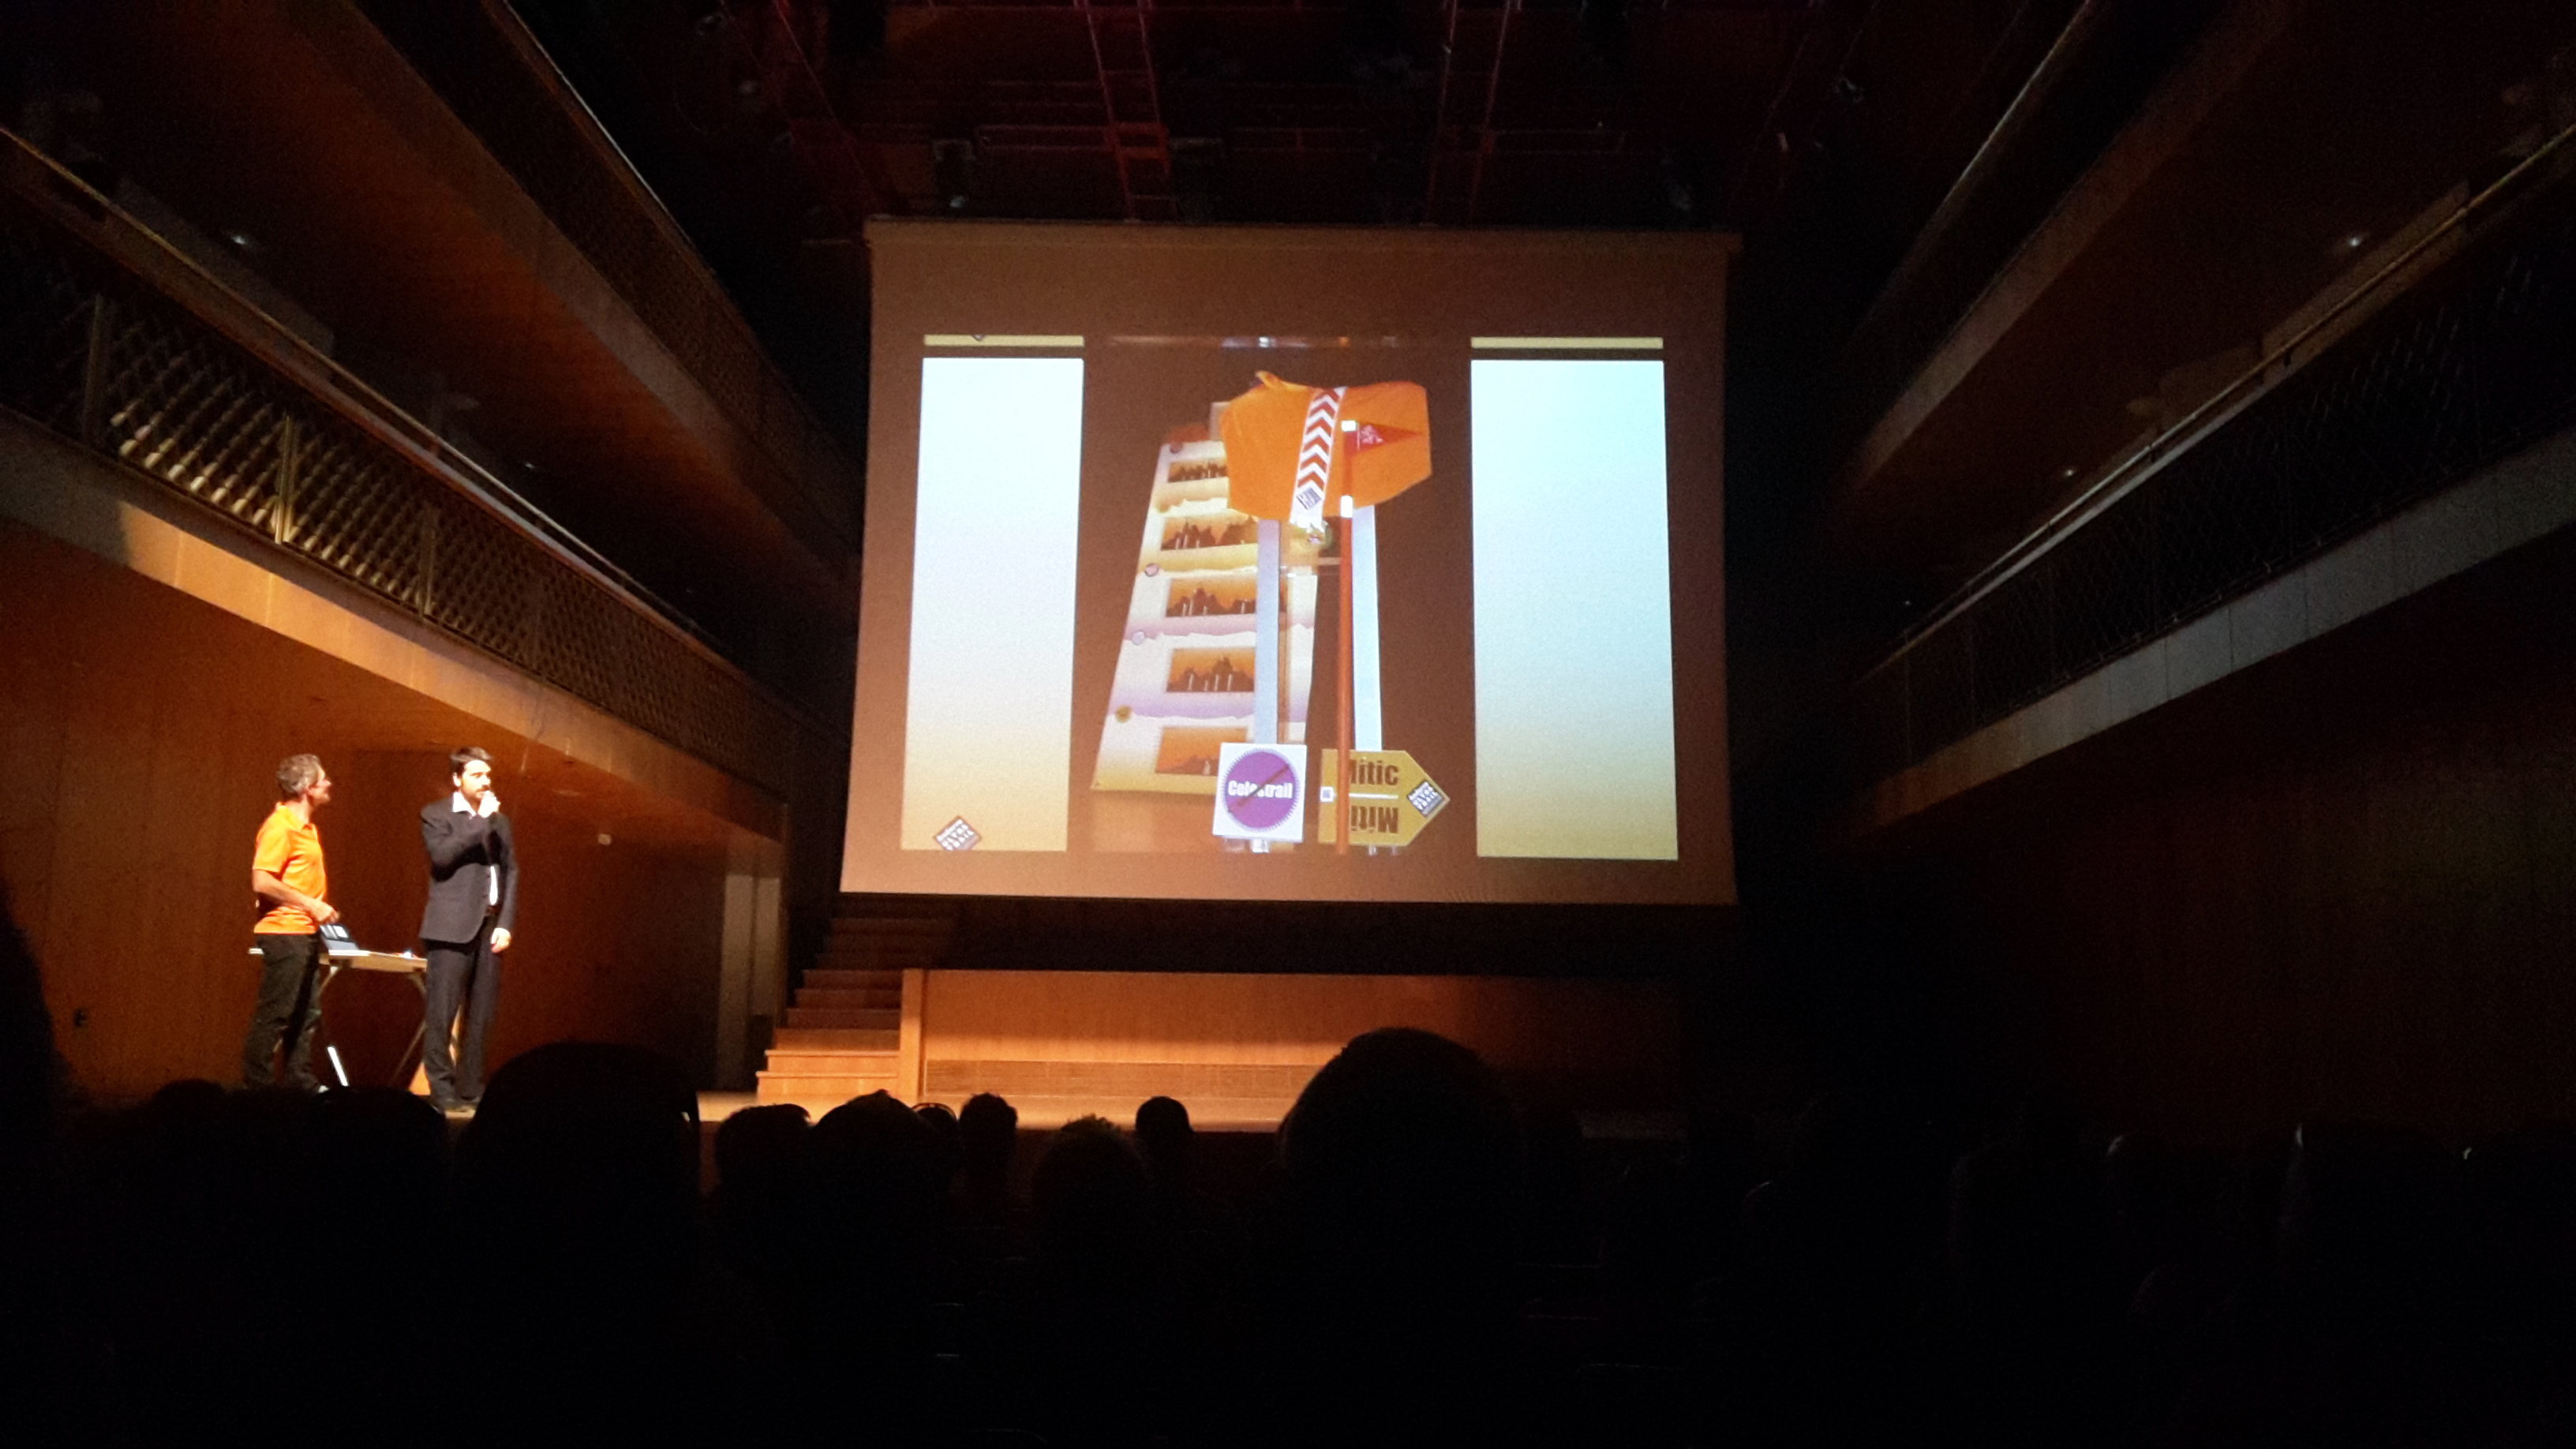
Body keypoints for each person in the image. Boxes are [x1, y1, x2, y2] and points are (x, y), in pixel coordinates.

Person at [418, 746, 519, 1114]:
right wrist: (480, 822)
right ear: (457, 779)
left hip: (490, 927)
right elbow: (442, 857)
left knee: (482, 1014)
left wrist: (506, 923)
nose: (485, 781)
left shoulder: (500, 821)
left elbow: (511, 870)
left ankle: (471, 1088)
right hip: (449, 928)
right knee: (442, 1013)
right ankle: (441, 1089)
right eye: (476, 775)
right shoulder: (436, 814)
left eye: (487, 775)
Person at [243, 753, 336, 1090]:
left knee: (306, 1012)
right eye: (323, 780)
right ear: (308, 788)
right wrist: (310, 903)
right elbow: (262, 880)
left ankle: (300, 1084)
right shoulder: (280, 826)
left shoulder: (307, 829)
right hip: (284, 931)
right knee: (276, 1012)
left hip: (304, 931)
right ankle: (258, 1088)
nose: (329, 784)